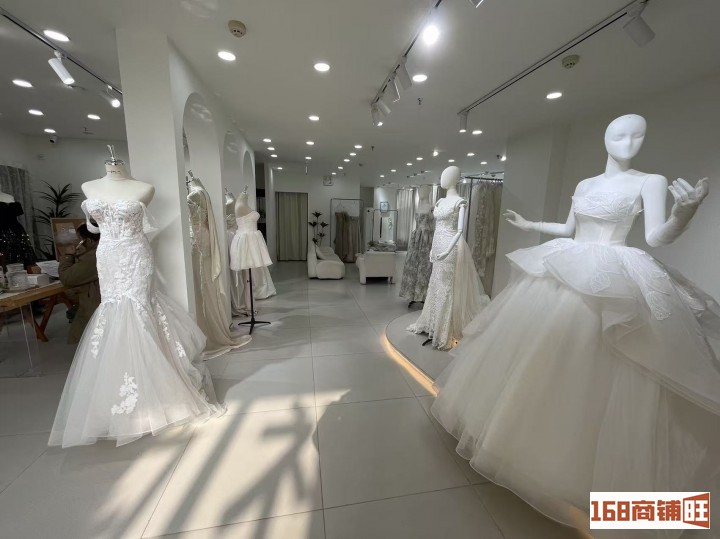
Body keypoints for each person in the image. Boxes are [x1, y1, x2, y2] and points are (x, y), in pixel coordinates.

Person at [58, 223, 101, 344]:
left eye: (80, 239)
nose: (77, 243)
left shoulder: (94, 256)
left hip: (94, 305)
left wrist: (68, 256)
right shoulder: (100, 251)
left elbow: (67, 278)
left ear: (90, 241)